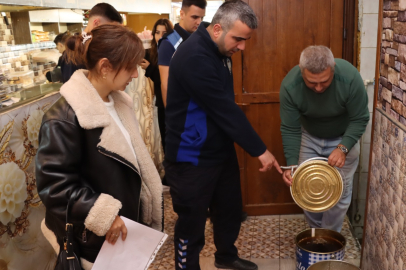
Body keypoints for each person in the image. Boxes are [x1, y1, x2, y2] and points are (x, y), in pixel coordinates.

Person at [164, 1, 282, 269]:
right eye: (238, 39)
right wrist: (260, 151)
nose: (242, 47)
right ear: (217, 29)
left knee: (229, 211)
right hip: (190, 156)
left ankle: (226, 257)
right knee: (191, 223)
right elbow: (224, 109)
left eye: (245, 40)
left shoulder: (219, 49)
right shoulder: (195, 56)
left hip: (218, 149)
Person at [35, 24, 163, 270]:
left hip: (123, 235)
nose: (136, 75)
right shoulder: (64, 117)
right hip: (96, 241)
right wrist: (102, 213)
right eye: (130, 68)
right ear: (105, 67)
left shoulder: (119, 103)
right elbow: (54, 186)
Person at [279, 45, 369, 232]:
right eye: (311, 82)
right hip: (309, 136)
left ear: (333, 68)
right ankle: (316, 232)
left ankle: (329, 236)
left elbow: (359, 118)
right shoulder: (290, 85)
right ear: (301, 71)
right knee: (305, 187)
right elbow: (290, 128)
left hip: (344, 137)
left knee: (341, 192)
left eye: (324, 81)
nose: (318, 88)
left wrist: (343, 148)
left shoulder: (350, 78)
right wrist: (291, 164)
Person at [158, 0, 206, 107]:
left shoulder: (200, 39)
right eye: (194, 17)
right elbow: (166, 84)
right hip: (181, 109)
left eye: (201, 18)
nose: (199, 22)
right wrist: (171, 116)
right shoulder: (168, 42)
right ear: (182, 14)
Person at [64, 3, 123, 82]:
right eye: (109, 28)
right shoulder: (73, 50)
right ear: (96, 23)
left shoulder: (100, 48)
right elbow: (71, 87)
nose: (110, 33)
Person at [140, 18, 174, 154]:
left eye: (164, 33)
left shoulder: (172, 51)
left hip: (169, 101)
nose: (160, 36)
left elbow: (168, 79)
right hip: (154, 103)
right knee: (162, 140)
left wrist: (150, 69)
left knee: (169, 140)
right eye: (157, 32)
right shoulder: (151, 51)